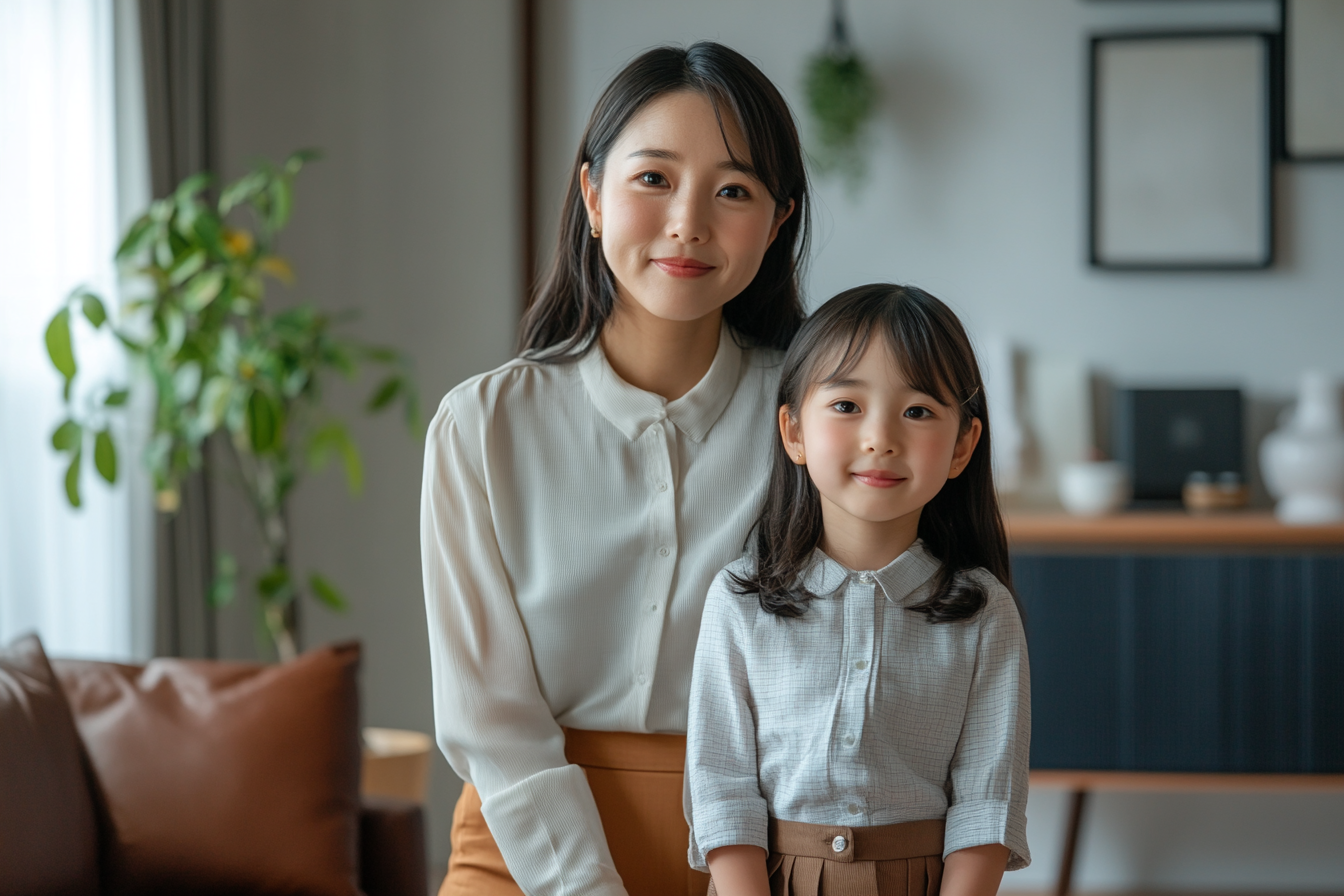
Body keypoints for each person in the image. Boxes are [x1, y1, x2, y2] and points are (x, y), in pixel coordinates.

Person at [421, 42, 809, 896]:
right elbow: (489, 718)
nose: (688, 223)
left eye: (733, 190)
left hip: (762, 856)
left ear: (776, 222)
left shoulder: (817, 427)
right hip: (521, 854)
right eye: (653, 179)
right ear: (593, 196)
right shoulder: (480, 426)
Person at [685, 284, 1031, 896]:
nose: (881, 438)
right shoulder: (738, 598)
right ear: (793, 431)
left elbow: (988, 801)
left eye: (918, 411)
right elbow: (720, 787)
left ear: (962, 446)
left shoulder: (983, 611)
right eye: (847, 405)